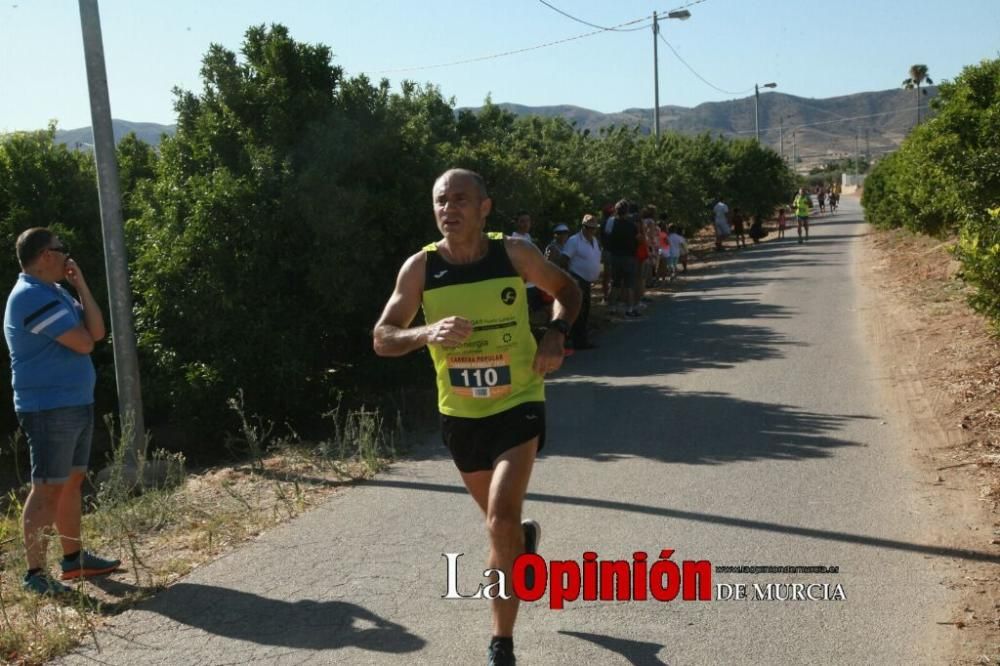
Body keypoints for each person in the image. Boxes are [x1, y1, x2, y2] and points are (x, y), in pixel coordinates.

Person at [373, 169, 581, 666]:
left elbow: (567, 290)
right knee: (502, 529)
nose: (450, 209)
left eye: (461, 200)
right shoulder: (420, 268)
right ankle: (522, 543)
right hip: (461, 415)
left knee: (498, 519)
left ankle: (501, 644)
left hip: (518, 400)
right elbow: (382, 337)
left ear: (484, 208)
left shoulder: (513, 254)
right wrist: (426, 333)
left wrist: (556, 335)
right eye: (441, 201)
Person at [3, 228, 121, 596]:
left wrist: (81, 285)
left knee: (71, 480)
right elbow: (84, 343)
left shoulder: (55, 293)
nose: (67, 256)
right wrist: (82, 324)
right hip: (48, 407)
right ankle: (35, 574)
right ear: (45, 256)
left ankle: (74, 561)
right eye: (61, 249)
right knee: (47, 487)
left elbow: (98, 332)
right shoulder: (29, 297)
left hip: (72, 402)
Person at [560, 214, 602, 350]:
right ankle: (578, 340)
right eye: (589, 228)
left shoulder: (594, 240)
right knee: (579, 311)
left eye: (594, 228)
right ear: (583, 227)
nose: (592, 230)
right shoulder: (574, 241)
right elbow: (564, 259)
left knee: (585, 310)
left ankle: (581, 339)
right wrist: (570, 278)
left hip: (587, 281)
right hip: (577, 279)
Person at [604, 199, 641, 318]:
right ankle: (629, 309)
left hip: (615, 256)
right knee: (630, 285)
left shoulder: (612, 224)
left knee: (615, 283)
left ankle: (611, 307)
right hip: (629, 257)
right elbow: (639, 240)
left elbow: (607, 238)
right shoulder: (632, 225)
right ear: (627, 211)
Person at [510, 211, 543, 315]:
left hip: (532, 283)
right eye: (522, 221)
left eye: (528, 221)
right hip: (522, 286)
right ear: (516, 223)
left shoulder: (527, 236)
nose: (526, 224)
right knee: (522, 314)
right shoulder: (514, 240)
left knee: (532, 314)